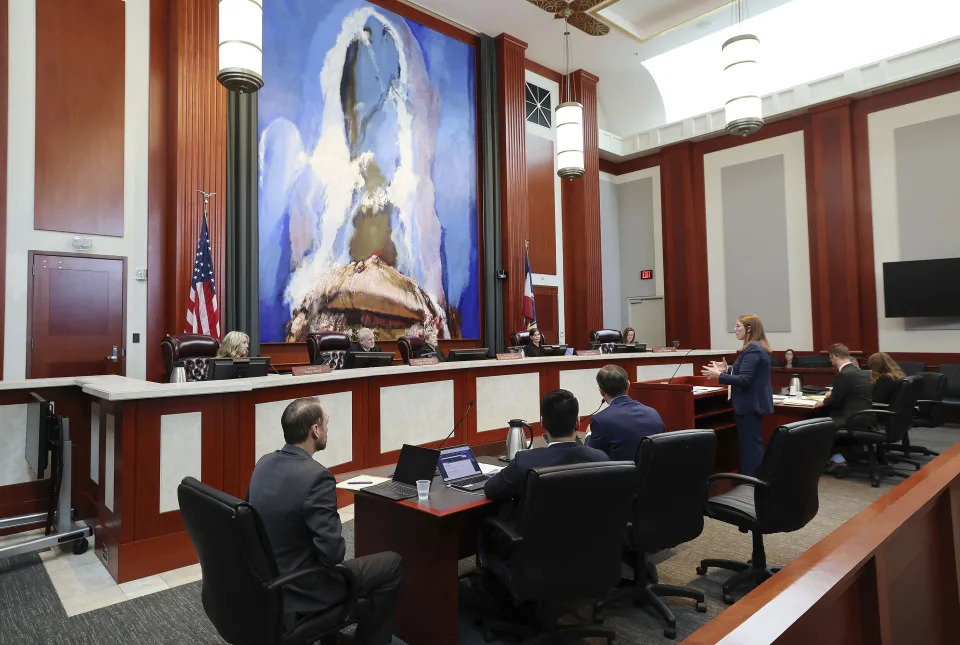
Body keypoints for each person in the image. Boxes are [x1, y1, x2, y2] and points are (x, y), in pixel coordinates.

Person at [248, 398, 402, 644]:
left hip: (268, 580)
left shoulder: (263, 463)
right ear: (315, 430)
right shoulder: (318, 478)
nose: (328, 429)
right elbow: (333, 554)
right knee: (392, 564)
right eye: (326, 423)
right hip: (304, 587)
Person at [484, 389, 608, 501]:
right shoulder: (600, 459)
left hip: (536, 526)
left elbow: (490, 489)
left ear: (543, 423)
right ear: (577, 423)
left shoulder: (525, 461)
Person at [701, 314, 773, 477]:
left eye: (737, 326)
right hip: (752, 404)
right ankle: (753, 480)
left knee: (750, 448)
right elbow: (748, 373)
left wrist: (719, 375)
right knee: (751, 445)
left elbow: (745, 379)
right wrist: (728, 369)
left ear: (749, 329)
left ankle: (751, 483)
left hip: (749, 405)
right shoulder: (757, 346)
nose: (734, 330)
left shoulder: (753, 348)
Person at [585, 364, 665, 461]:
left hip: (622, 475)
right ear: (628, 385)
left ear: (601, 392)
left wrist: (589, 435)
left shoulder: (600, 420)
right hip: (653, 475)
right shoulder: (653, 413)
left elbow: (590, 458)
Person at [822, 343, 874, 471]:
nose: (831, 361)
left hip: (851, 418)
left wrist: (826, 398)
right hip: (867, 416)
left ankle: (837, 459)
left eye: (831, 357)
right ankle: (840, 455)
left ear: (835, 356)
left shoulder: (843, 374)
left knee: (820, 426)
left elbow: (834, 401)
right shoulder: (861, 372)